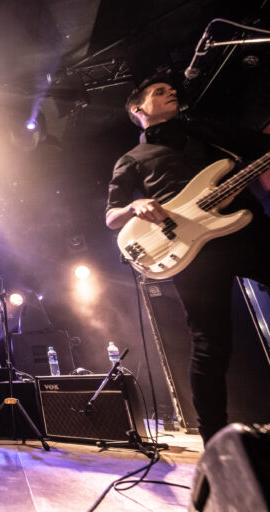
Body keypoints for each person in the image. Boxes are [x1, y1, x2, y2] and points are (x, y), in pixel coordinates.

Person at [105, 74, 270, 444]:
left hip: (246, 229)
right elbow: (112, 217)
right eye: (159, 93)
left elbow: (260, 146)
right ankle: (214, 442)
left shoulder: (203, 131)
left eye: (171, 90)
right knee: (211, 343)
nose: (171, 93)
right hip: (190, 250)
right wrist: (135, 205)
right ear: (138, 109)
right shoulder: (131, 159)